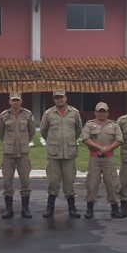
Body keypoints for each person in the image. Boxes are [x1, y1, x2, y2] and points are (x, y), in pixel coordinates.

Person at [40, 89, 84, 218]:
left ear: (66, 98)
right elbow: (43, 131)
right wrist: (53, 141)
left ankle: (72, 208)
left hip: (69, 153)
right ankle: (50, 208)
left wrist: (69, 141)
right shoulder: (48, 113)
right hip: (54, 153)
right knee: (53, 181)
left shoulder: (74, 113)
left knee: (69, 181)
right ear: (54, 99)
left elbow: (78, 129)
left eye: (61, 97)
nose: (59, 99)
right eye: (56, 98)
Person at [0, 92, 36, 219]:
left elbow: (32, 131)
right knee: (7, 183)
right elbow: (0, 133)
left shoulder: (28, 115)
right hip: (8, 154)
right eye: (13, 100)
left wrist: (24, 142)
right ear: (9, 101)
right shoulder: (3, 116)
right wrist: (8, 143)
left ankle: (25, 209)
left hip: (23, 154)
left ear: (21, 101)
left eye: (17, 100)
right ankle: (9, 210)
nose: (15, 102)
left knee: (25, 182)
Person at [81, 102, 123, 219]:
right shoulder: (90, 125)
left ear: (107, 113)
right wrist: (100, 148)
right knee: (92, 183)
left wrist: (107, 149)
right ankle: (90, 209)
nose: (101, 113)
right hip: (94, 157)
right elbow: (85, 138)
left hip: (108, 158)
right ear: (95, 113)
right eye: (99, 111)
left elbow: (119, 139)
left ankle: (114, 209)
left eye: (104, 111)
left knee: (112, 183)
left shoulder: (114, 125)